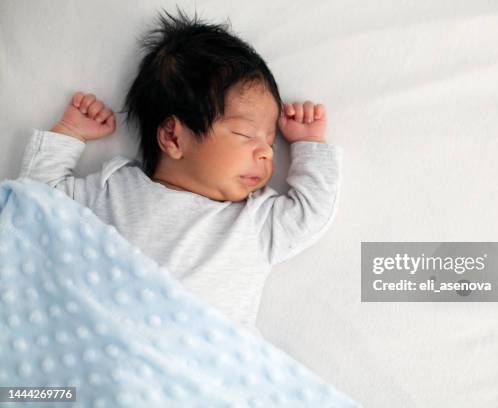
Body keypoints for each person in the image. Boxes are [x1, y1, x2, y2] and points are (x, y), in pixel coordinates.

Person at [18, 8, 342, 337]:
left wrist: (309, 144)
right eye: (246, 135)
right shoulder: (113, 190)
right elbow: (35, 203)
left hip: (203, 369)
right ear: (173, 137)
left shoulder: (255, 220)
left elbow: (311, 212)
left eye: (271, 142)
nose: (266, 152)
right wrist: (69, 132)